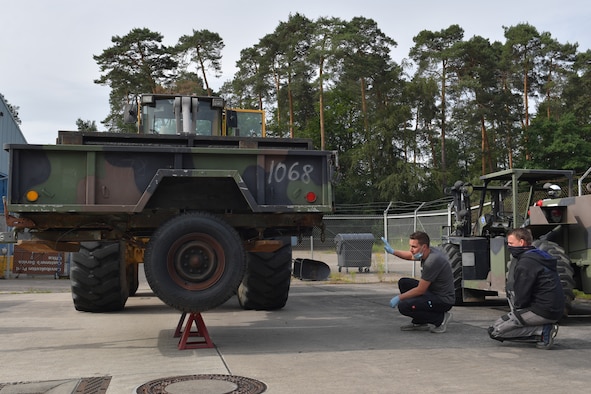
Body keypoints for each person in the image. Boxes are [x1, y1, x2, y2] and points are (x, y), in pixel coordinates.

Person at [488, 228, 564, 349]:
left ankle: (543, 331)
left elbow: (522, 296)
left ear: (522, 242)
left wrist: (518, 311)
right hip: (552, 308)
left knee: (495, 331)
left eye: (511, 243)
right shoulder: (538, 256)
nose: (509, 246)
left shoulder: (526, 263)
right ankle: (540, 328)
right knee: (499, 323)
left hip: (542, 310)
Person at [382, 231, 455, 333]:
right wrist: (393, 251)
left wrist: (399, 298)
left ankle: (440, 319)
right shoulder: (428, 251)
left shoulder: (432, 261)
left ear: (423, 247)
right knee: (404, 283)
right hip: (433, 292)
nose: (411, 250)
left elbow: (420, 290)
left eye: (414, 247)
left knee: (404, 306)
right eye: (410, 246)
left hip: (443, 300)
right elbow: (410, 255)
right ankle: (420, 322)